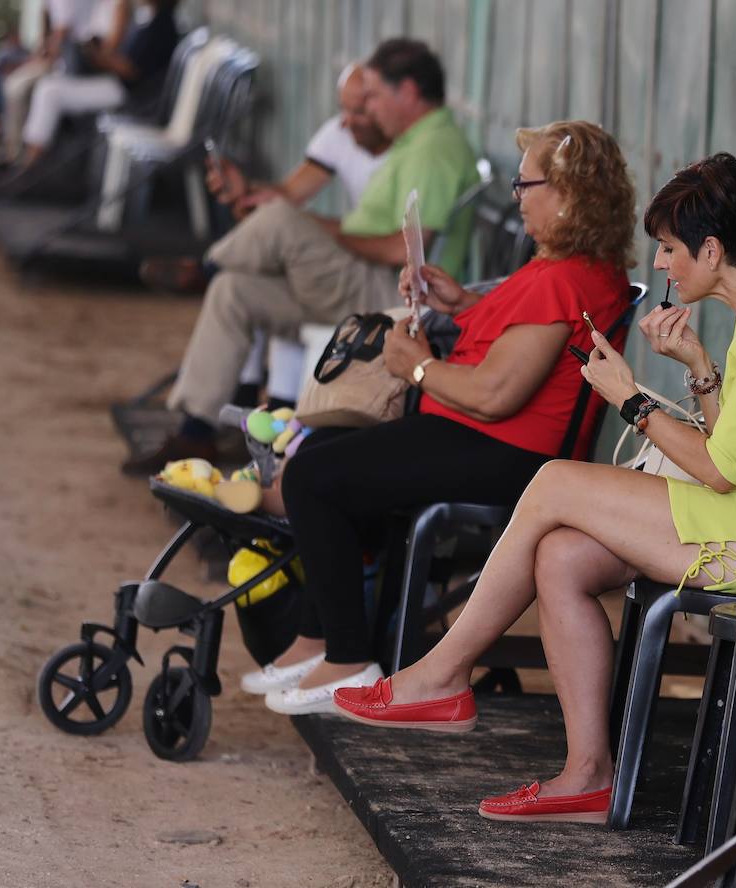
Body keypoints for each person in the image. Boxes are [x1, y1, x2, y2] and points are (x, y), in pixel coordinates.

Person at [331, 152, 736, 825]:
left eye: (671, 250)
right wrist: (699, 364)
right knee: (560, 555)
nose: (663, 267)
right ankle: (588, 776)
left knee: (555, 480)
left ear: (710, 249)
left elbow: (719, 468)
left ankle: (441, 674)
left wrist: (630, 401)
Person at [238, 120, 636, 717]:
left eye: (526, 185)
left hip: (503, 450)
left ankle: (348, 656)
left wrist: (415, 367)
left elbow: (497, 392)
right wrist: (465, 305)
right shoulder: (577, 267)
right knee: (320, 458)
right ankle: (316, 641)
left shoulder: (560, 277)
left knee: (313, 477)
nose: (517, 197)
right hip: (500, 443)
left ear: (569, 194)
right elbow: (525, 337)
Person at [121, 38, 479, 475]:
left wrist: (318, 231)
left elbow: (394, 249)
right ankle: (195, 434)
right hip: (357, 279)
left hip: (394, 297)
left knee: (281, 221)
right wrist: (307, 222)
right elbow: (323, 211)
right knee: (233, 290)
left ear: (407, 91)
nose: (368, 108)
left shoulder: (435, 148)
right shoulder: (413, 142)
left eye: (374, 97)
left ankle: (205, 265)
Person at [139, 62, 391, 295]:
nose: (346, 122)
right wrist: (246, 189)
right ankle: (210, 271)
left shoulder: (410, 152)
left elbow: (392, 244)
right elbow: (290, 193)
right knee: (234, 289)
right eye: (343, 109)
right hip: (347, 251)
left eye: (357, 111)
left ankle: (207, 270)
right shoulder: (340, 133)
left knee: (280, 220)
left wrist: (298, 220)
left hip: (377, 269)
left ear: (382, 106)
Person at [16, 0, 180, 169]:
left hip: (129, 94)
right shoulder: (147, 18)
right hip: (119, 85)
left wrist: (97, 56)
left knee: (49, 91)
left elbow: (131, 70)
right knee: (50, 86)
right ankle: (32, 161)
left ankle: (31, 164)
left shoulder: (162, 23)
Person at [1, 0, 106, 162]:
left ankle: (20, 159)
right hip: (62, 60)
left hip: (73, 64)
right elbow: (47, 27)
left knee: (20, 87)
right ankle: (13, 154)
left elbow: (63, 33)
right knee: (12, 79)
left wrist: (41, 58)